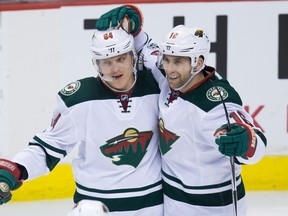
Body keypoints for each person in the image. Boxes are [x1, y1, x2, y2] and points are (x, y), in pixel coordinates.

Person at [95, 5, 268, 216]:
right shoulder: (168, 74)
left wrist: (247, 142)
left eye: (177, 61)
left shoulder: (215, 101)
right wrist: (135, 26)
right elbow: (147, 50)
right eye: (167, 59)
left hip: (213, 206)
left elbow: (253, 141)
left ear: (198, 62)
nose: (168, 68)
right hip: (172, 200)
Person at [0, 26, 164, 215]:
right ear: (97, 64)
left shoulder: (157, 88)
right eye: (107, 62)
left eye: (121, 58)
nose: (116, 68)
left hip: (152, 207)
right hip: (95, 208)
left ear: (132, 58)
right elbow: (49, 146)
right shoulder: (80, 98)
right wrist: (17, 169)